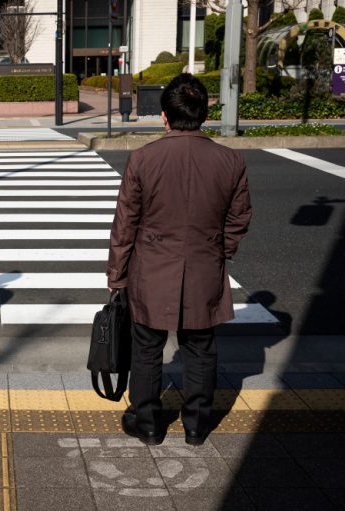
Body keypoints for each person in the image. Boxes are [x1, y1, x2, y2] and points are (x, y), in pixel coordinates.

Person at [106, 73, 252, 446]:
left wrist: (117, 276)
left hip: (151, 269)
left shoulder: (143, 159)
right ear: (205, 114)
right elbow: (238, 218)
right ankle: (196, 425)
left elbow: (125, 224)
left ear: (164, 116)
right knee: (200, 348)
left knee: (146, 347)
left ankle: (148, 423)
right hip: (204, 266)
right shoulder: (230, 161)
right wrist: (219, 250)